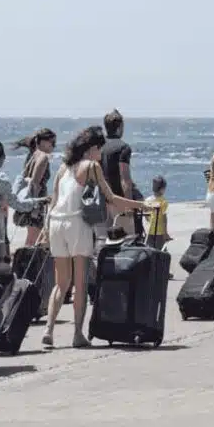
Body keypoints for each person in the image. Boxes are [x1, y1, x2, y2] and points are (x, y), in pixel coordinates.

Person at [41, 126, 141, 349]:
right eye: (99, 150)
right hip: (77, 224)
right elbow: (111, 198)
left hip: (56, 223)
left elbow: (53, 201)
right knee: (81, 283)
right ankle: (77, 334)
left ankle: (49, 330)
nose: (100, 155)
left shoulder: (63, 168)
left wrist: (46, 231)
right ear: (93, 148)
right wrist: (141, 205)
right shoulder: (91, 166)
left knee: (61, 284)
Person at [101, 109, 142, 236]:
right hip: (119, 201)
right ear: (119, 127)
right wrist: (129, 205)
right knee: (127, 239)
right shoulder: (123, 148)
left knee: (105, 240)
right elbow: (125, 179)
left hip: (103, 201)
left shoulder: (99, 147)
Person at [13, 128, 56, 247]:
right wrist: (36, 208)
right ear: (43, 142)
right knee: (34, 239)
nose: (54, 146)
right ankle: (26, 263)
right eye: (52, 142)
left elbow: (26, 177)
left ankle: (24, 262)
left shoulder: (33, 154)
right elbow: (35, 183)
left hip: (29, 199)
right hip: (36, 201)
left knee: (32, 237)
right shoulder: (43, 157)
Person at [143, 175, 169, 251]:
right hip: (159, 232)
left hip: (149, 231)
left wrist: (149, 220)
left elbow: (146, 214)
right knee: (162, 251)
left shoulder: (147, 200)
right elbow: (164, 219)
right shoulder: (163, 201)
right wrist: (165, 233)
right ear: (162, 189)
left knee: (150, 250)